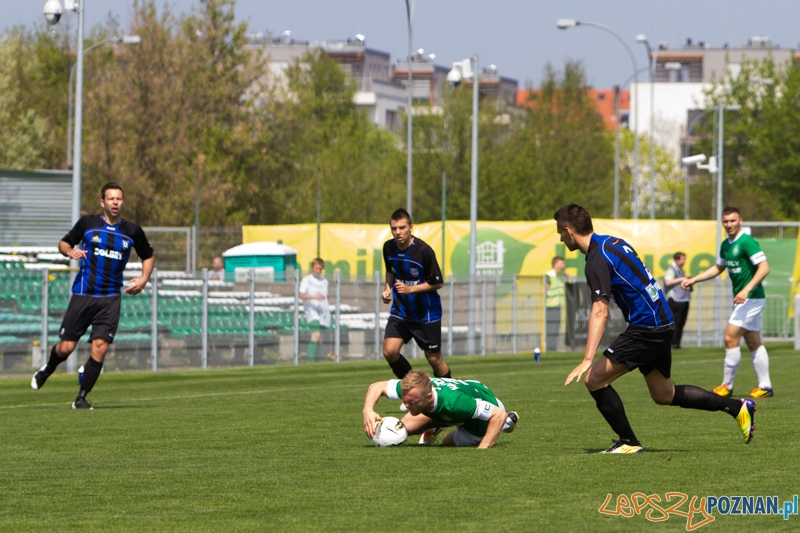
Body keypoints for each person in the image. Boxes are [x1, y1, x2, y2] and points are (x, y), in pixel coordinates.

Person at [554, 203, 755, 454]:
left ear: (570, 231)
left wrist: (587, 359)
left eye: (561, 233)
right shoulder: (612, 242)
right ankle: (737, 408)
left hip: (647, 327)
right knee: (663, 394)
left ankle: (629, 443)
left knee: (594, 379)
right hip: (661, 320)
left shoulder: (595, 258)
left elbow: (600, 310)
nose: (561, 239)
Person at [31, 183, 154, 409]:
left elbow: (148, 255)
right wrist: (69, 251)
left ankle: (81, 397)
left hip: (110, 299)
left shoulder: (133, 231)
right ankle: (47, 369)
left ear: (122, 202)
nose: (115, 202)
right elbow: (64, 242)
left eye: (119, 198)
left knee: (101, 347)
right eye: (111, 198)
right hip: (83, 295)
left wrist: (144, 279)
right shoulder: (88, 224)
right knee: (66, 348)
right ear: (102, 202)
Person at [681, 207, 773, 399]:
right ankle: (765, 386)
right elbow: (718, 268)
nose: (729, 225)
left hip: (752, 298)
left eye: (733, 221)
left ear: (740, 220)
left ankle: (727, 386)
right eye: (726, 221)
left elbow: (764, 268)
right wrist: (694, 279)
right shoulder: (726, 245)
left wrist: (746, 289)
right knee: (753, 341)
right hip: (744, 299)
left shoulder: (746, 242)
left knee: (730, 338)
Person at [362, 370, 518, 448]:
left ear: (429, 397)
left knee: (447, 441)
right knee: (405, 427)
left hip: (479, 423)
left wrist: (483, 449)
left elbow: (497, 414)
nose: (406, 406)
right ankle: (438, 424)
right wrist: (368, 410)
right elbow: (377, 386)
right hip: (472, 389)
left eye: (412, 402)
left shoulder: (455, 402)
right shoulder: (416, 388)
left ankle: (507, 423)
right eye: (405, 401)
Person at [381, 208, 451, 380]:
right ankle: (413, 391)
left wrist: (411, 289)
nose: (397, 232)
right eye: (394, 228)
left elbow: (438, 282)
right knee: (389, 351)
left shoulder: (423, 251)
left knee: (434, 359)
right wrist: (387, 289)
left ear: (411, 227)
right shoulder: (388, 248)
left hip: (426, 314)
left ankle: (450, 395)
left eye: (402, 228)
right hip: (401, 312)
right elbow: (390, 270)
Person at [299, 257, 331, 362]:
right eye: (316, 268)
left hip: (323, 312)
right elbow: (301, 295)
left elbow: (325, 296)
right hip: (312, 312)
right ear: (312, 268)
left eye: (320, 269)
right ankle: (310, 362)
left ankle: (318, 362)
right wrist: (315, 297)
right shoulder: (306, 280)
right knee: (315, 335)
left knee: (320, 338)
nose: (318, 271)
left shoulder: (324, 281)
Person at [663, 252, 691, 349]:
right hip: (675, 300)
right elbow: (668, 282)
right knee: (675, 322)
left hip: (683, 299)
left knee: (681, 322)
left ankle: (677, 343)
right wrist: (682, 279)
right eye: (683, 259)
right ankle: (672, 343)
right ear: (677, 260)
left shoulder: (681, 270)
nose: (684, 261)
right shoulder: (671, 270)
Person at [544, 256, 569, 352]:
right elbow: (545, 290)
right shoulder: (549, 276)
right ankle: (550, 348)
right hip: (550, 306)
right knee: (551, 328)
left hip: (556, 306)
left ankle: (552, 348)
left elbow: (562, 287)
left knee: (555, 328)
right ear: (555, 264)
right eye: (561, 264)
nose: (563, 266)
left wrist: (566, 279)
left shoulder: (557, 278)